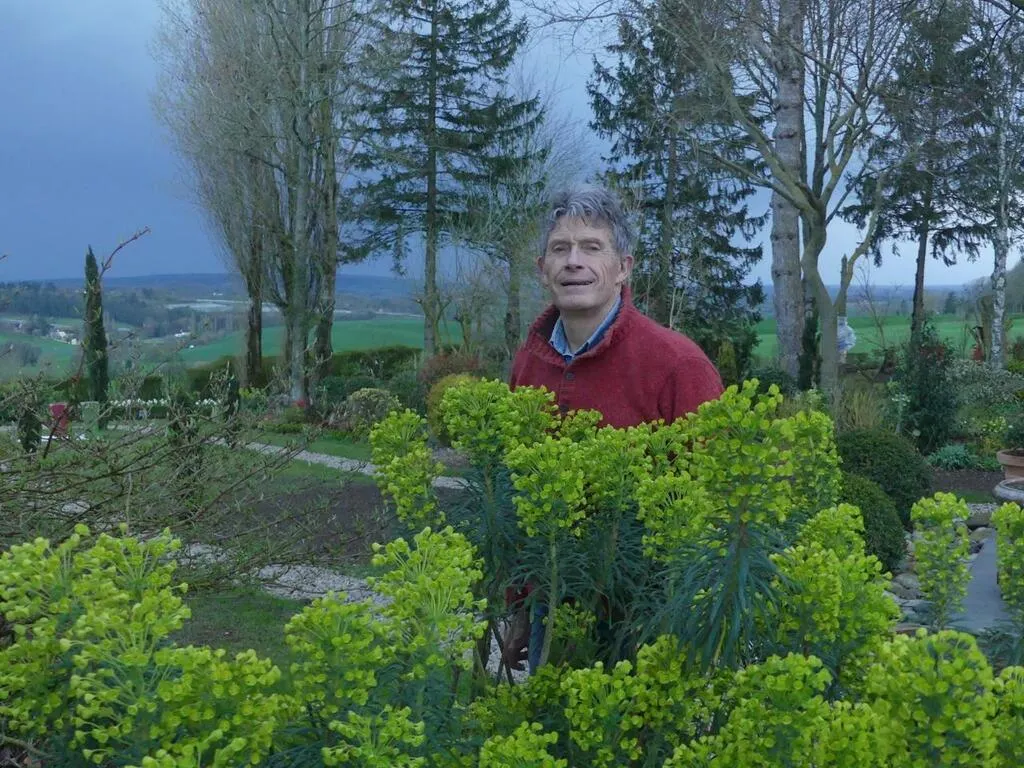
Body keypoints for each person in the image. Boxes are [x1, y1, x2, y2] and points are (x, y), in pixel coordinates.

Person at [502, 183, 725, 672]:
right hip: (552, 605)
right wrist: (520, 604)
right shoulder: (529, 362)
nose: (573, 262)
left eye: (591, 247)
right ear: (542, 269)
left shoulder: (677, 364)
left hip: (644, 616)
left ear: (623, 267)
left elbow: (713, 501)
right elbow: (516, 496)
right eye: (560, 248)